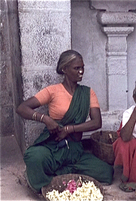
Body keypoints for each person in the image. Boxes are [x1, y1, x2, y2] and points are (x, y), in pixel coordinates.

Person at [16, 50, 114, 193]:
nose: (81, 71)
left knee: (106, 172)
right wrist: (45, 119)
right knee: (34, 157)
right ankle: (50, 183)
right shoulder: (53, 91)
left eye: (82, 67)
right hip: (53, 146)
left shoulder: (87, 93)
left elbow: (96, 122)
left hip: (74, 149)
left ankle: (58, 175)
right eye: (76, 68)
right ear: (64, 69)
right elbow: (22, 108)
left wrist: (69, 129)